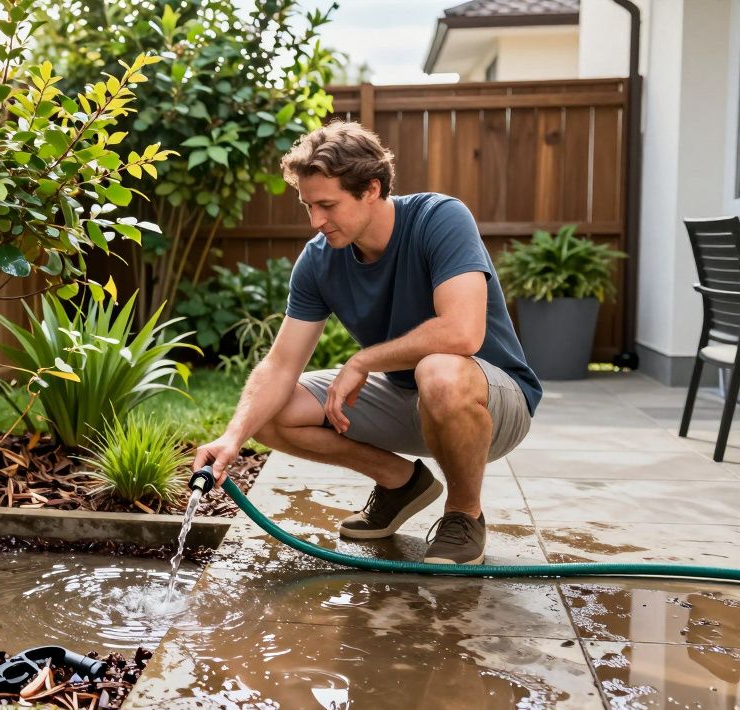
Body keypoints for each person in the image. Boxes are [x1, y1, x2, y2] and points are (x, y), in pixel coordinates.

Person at [193, 121, 542, 565]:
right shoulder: (319, 260)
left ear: (371, 189)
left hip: (491, 401)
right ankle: (400, 482)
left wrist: (364, 361)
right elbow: (281, 365)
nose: (317, 221)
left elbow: (462, 332)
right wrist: (232, 438)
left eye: (327, 205)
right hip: (406, 397)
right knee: (268, 411)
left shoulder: (439, 219)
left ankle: (463, 514)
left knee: (438, 370)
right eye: (308, 206)